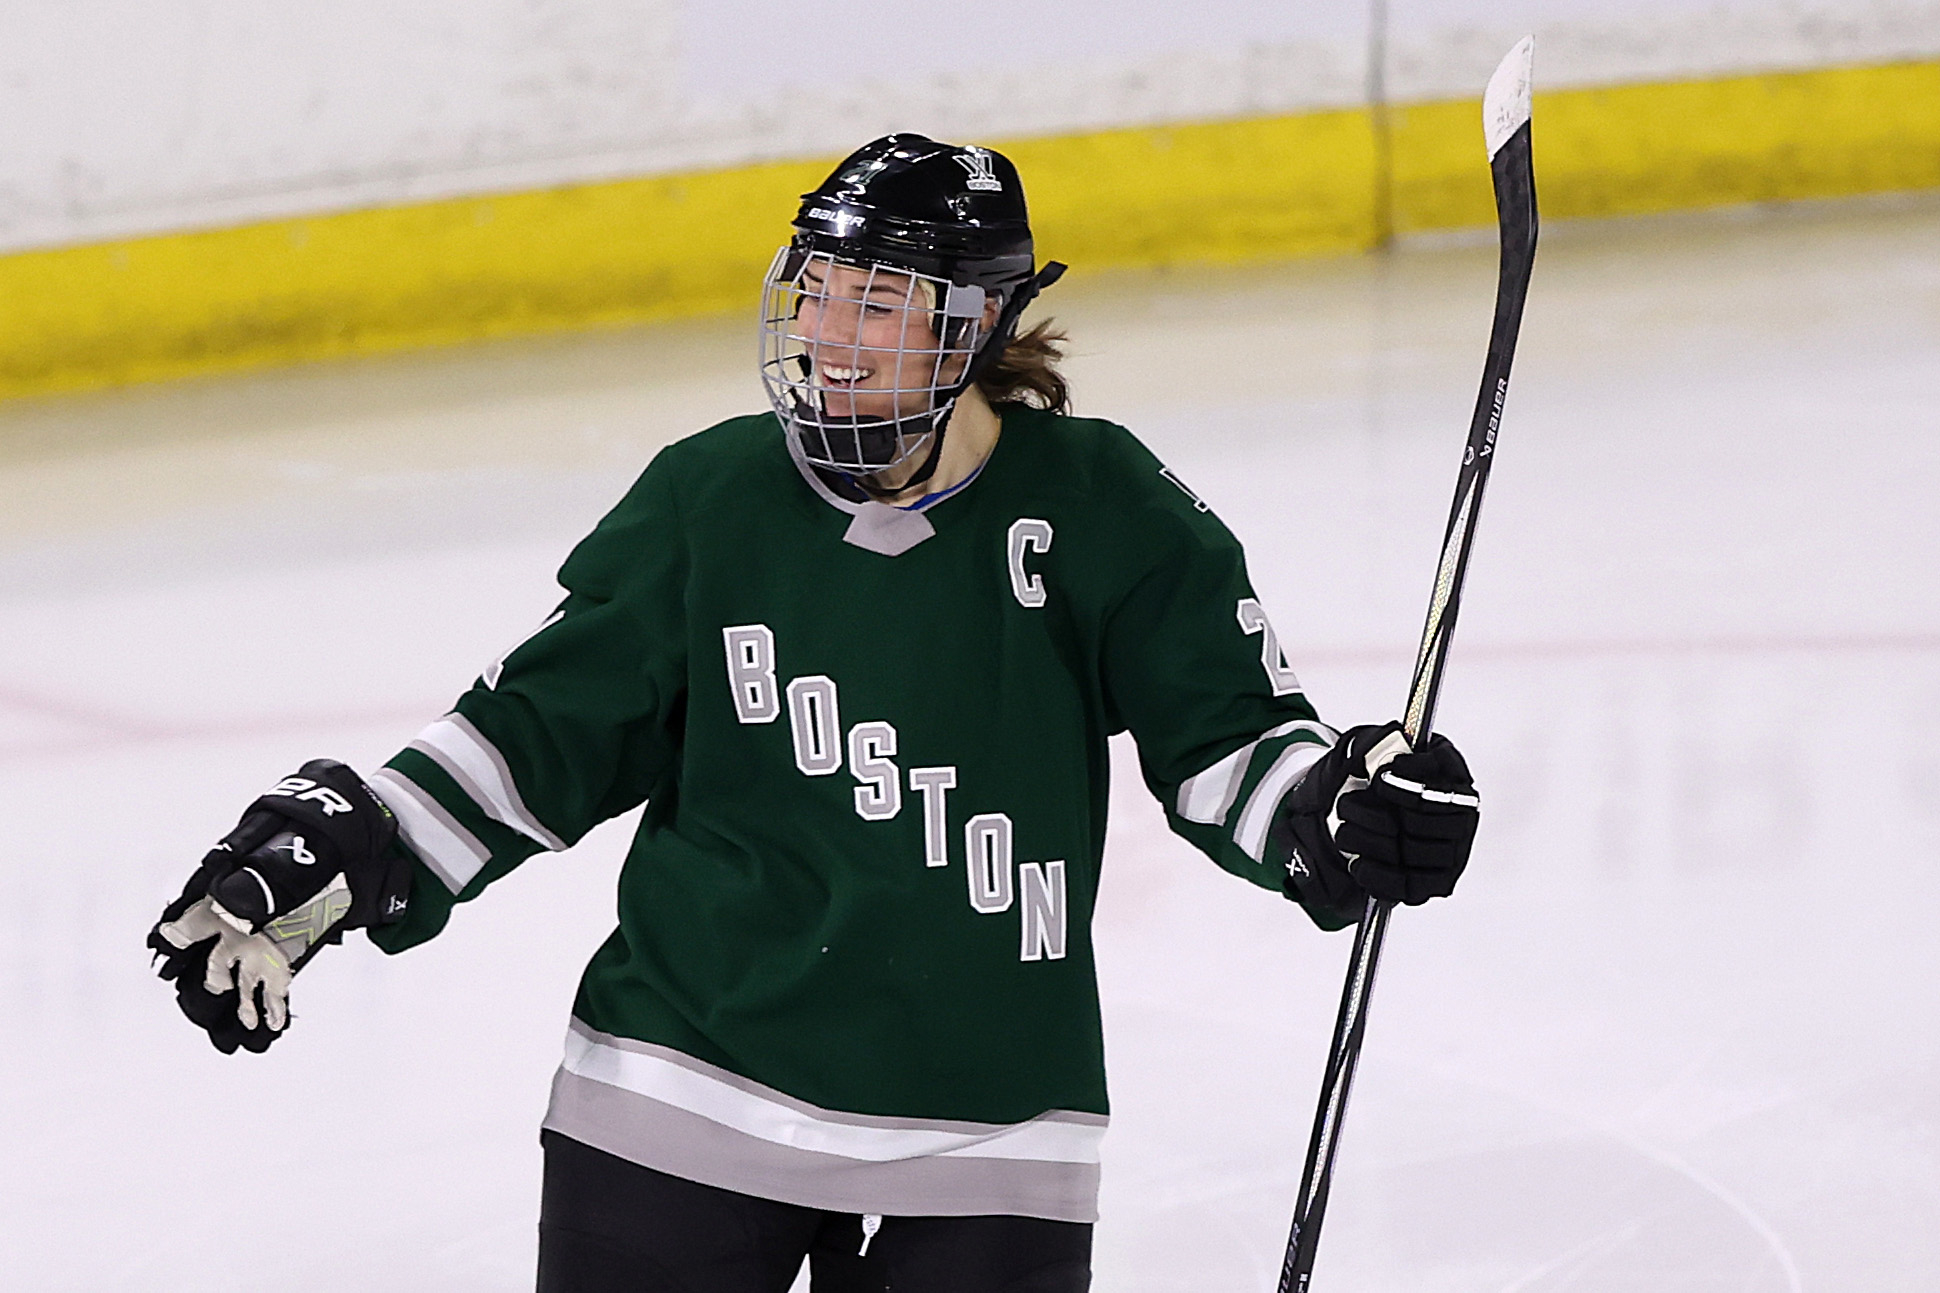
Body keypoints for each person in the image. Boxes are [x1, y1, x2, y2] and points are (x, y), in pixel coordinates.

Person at [148, 134, 1481, 1292]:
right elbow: (536, 738)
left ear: (979, 322)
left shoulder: (1104, 503)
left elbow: (1232, 742)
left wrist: (1338, 807)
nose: (833, 338)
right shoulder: (709, 497)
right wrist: (360, 833)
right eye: (820, 293)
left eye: (882, 302)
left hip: (990, 1139)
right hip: (674, 1098)